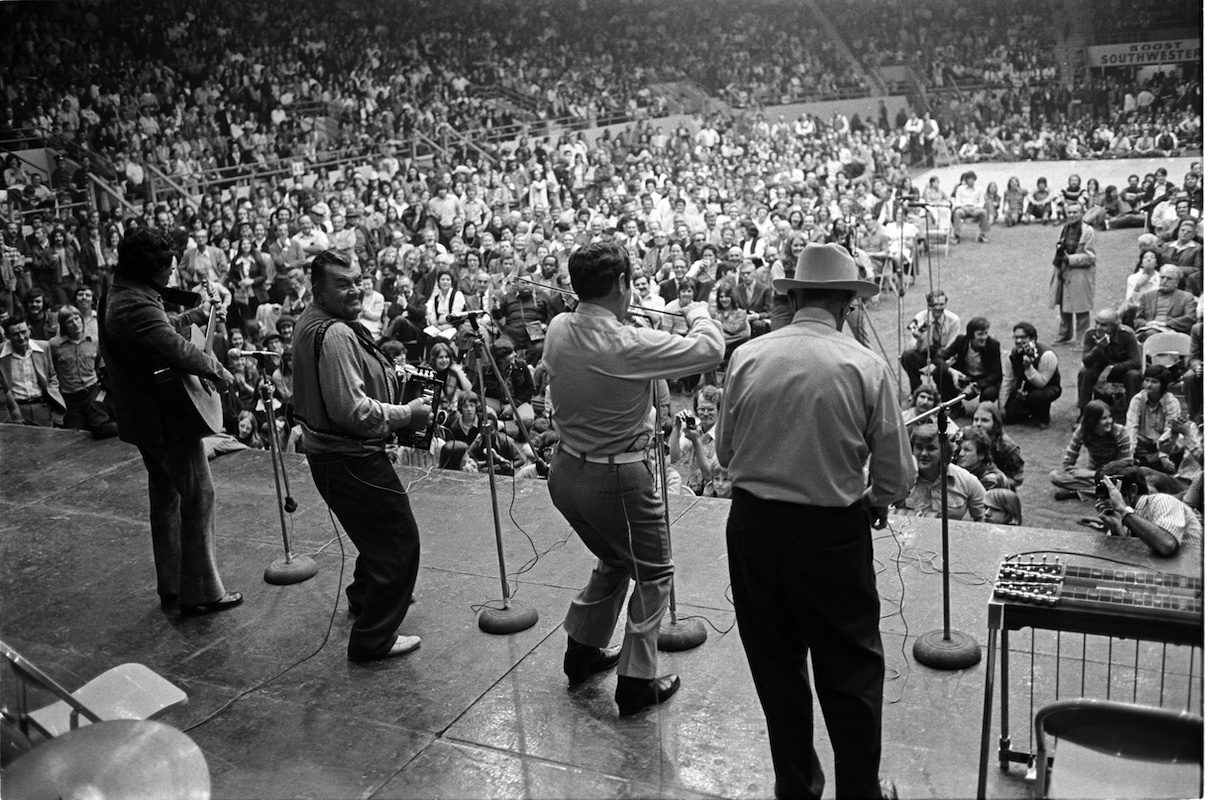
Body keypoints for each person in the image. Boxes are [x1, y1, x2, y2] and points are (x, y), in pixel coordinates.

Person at [717, 242, 914, 799]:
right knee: (850, 672)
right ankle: (859, 792)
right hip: (830, 537)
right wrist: (872, 500)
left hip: (753, 530)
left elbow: (727, 455)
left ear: (795, 294)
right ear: (849, 303)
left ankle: (796, 789)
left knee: (775, 667)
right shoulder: (864, 365)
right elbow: (897, 477)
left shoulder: (748, 356)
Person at [542, 241, 723, 716]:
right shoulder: (625, 344)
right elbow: (710, 349)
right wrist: (699, 311)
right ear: (622, 285)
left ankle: (581, 651)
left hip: (565, 475)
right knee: (654, 572)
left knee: (613, 557)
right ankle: (637, 682)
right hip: (617, 481)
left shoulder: (560, 327)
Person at [291, 249, 432, 662]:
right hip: (349, 457)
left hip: (332, 457)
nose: (354, 290)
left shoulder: (314, 320)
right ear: (319, 289)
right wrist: (408, 414)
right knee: (399, 540)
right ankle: (374, 638)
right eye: (342, 283)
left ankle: (363, 597)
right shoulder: (333, 333)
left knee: (375, 534)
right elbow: (352, 412)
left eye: (357, 280)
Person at [98, 227, 242, 615]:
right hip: (164, 418)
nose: (173, 275)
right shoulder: (131, 304)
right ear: (151, 269)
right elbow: (174, 346)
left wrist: (196, 314)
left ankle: (173, 584)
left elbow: (159, 328)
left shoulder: (123, 292)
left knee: (165, 499)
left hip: (148, 417)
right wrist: (218, 370)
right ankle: (201, 592)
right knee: (199, 495)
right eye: (168, 269)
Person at [1096, 462, 1202, 556]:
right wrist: (1116, 529)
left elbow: (1167, 545)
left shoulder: (1162, 501)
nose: (1103, 499)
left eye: (1110, 492)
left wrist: (1124, 511)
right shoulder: (1122, 515)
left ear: (1132, 491)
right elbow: (1134, 557)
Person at [897, 423, 987, 521]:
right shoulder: (900, 478)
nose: (924, 453)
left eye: (931, 448)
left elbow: (984, 517)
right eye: (919, 447)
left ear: (944, 451)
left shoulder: (966, 480)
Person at [1051, 399, 1131, 501]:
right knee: (1055, 476)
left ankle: (1078, 492)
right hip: (1094, 474)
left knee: (1122, 484)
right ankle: (1102, 492)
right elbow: (1067, 463)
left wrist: (1091, 474)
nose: (1109, 421)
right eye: (1104, 418)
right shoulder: (1082, 432)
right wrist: (1073, 472)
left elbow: (1125, 468)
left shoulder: (1120, 433)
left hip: (1114, 475)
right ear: (1093, 420)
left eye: (1110, 416)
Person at [1077, 308, 1142, 415]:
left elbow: (1135, 362)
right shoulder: (1091, 334)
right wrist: (1098, 348)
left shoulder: (1127, 334)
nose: (1098, 327)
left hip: (1121, 371)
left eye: (1103, 325)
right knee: (1085, 372)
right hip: (1099, 370)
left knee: (1134, 375)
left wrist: (1112, 368)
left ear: (1114, 326)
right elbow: (1086, 362)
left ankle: (1133, 413)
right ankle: (1084, 412)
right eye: (1097, 323)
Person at [1049, 201, 1097, 345]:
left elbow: (1091, 257)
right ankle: (1064, 334)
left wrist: (1069, 259)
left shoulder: (1088, 231)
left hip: (1080, 273)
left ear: (1082, 213)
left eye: (1075, 212)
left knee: (1081, 308)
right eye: (1069, 212)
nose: (1072, 215)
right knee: (1064, 305)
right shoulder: (1065, 229)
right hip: (1064, 272)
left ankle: (1083, 339)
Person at [1001, 322, 1061, 428]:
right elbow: (1008, 380)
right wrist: (1002, 405)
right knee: (1007, 417)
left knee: (1037, 396)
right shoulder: (1012, 355)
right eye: (1016, 337)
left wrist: (1028, 368)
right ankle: (1025, 410)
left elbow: (1042, 383)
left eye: (1023, 337)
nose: (1019, 341)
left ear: (1032, 339)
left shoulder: (1047, 355)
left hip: (1047, 388)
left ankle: (1042, 417)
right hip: (1024, 388)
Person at [900, 291, 961, 394]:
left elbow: (951, 348)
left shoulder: (953, 320)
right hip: (924, 353)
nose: (938, 308)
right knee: (907, 356)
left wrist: (935, 364)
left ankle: (944, 395)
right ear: (928, 305)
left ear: (945, 304)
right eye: (934, 304)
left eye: (941, 304)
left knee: (940, 370)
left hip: (944, 356)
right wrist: (920, 338)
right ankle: (917, 392)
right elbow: (914, 347)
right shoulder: (920, 318)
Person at [1125, 365, 1181, 472]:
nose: (1149, 385)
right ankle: (1148, 463)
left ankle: (1148, 463)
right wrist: (1129, 455)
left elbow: (1169, 431)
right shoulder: (1137, 400)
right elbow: (1131, 427)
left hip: (1163, 445)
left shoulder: (1171, 402)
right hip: (1143, 446)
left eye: (1154, 382)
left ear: (1163, 385)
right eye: (1146, 380)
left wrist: (1163, 454)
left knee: (1179, 444)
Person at [940, 316, 1002, 407]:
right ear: (971, 335)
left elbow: (996, 374)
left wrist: (977, 385)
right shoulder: (960, 341)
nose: (984, 337)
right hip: (965, 376)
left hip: (984, 379)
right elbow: (940, 357)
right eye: (980, 334)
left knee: (990, 392)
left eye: (986, 333)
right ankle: (954, 407)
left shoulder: (993, 345)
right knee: (941, 372)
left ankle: (983, 411)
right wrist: (953, 373)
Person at [1133, 265, 1197, 340]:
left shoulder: (1186, 297)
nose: (1164, 281)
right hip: (1148, 329)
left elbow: (1189, 319)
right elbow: (1137, 320)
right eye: (1162, 277)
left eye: (1169, 278)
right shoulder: (1147, 296)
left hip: (1174, 333)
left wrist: (1165, 324)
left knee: (1152, 334)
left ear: (1177, 281)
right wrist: (1148, 323)